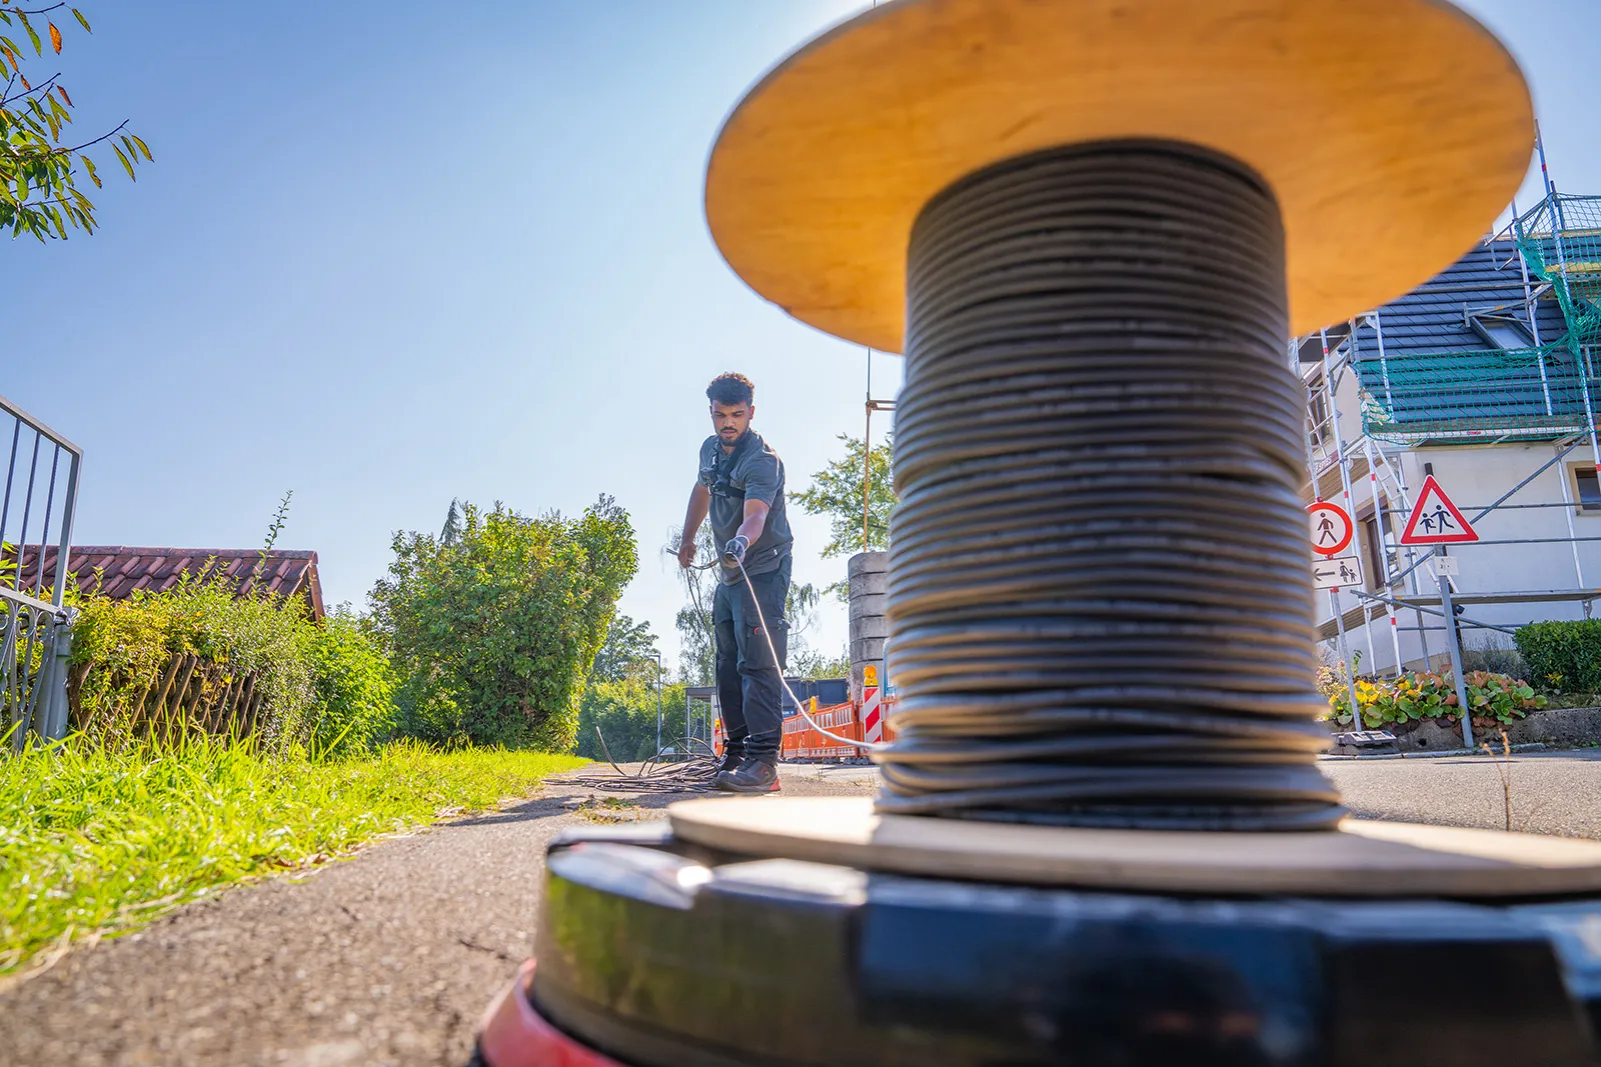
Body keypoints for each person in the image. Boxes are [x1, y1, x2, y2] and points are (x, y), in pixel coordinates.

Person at [677, 372, 793, 793]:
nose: (728, 423)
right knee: (727, 663)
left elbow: (757, 513)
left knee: (757, 663)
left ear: (751, 413)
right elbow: (702, 489)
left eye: (737, 415)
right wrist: (688, 539)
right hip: (729, 574)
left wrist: (742, 540)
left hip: (761, 568)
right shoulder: (710, 449)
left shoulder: (763, 459)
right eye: (721, 414)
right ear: (710, 412)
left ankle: (764, 764)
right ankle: (737, 753)